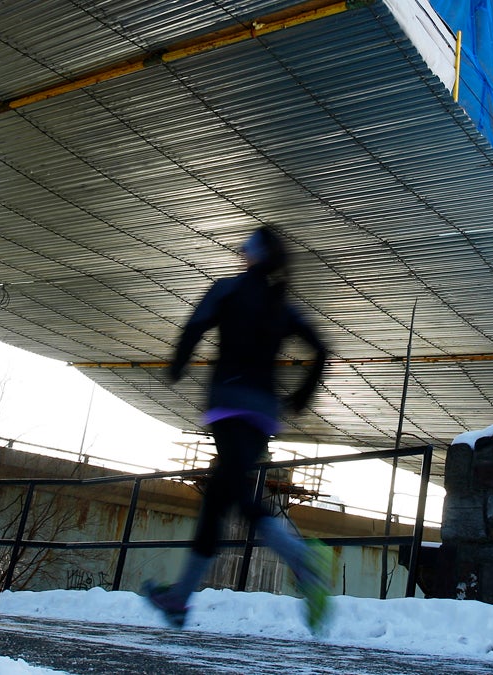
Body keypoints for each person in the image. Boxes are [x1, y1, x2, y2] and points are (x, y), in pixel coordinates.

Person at [143, 226, 332, 633]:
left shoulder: (227, 289)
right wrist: (303, 395)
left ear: (255, 253)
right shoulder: (283, 305)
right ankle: (179, 599)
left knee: (239, 497)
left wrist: (177, 364)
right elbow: (320, 347)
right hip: (263, 412)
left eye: (246, 246)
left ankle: (303, 560)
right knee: (220, 496)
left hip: (228, 405)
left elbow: (194, 327)